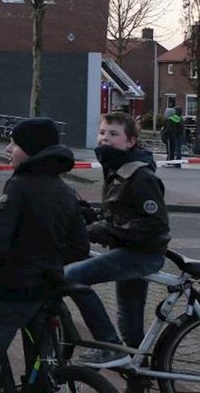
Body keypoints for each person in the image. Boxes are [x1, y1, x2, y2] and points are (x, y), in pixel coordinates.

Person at [0, 118, 90, 392]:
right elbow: (80, 246)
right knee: (40, 365)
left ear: (31, 149)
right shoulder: (66, 190)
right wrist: (49, 262)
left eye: (15, 143)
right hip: (46, 289)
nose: (9, 149)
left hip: (11, 289)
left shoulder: (19, 185)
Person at [67, 112, 170, 371]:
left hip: (141, 255)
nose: (105, 138)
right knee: (131, 327)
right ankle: (140, 379)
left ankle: (106, 345)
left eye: (114, 134)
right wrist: (93, 215)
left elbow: (153, 224)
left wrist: (102, 230)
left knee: (71, 277)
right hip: (129, 250)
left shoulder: (140, 176)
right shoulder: (116, 167)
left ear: (130, 142)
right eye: (103, 132)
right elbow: (123, 212)